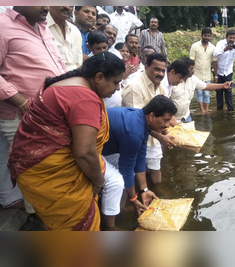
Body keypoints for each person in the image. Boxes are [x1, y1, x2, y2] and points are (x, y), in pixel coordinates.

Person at [8, 52, 125, 231]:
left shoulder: (66, 84)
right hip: (51, 173)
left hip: (36, 168)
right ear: (99, 77)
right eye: (116, 82)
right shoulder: (84, 97)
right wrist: (99, 182)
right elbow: (85, 153)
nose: (118, 88)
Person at [0, 6, 66, 212]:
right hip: (23, 117)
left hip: (50, 116)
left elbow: (58, 65)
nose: (46, 6)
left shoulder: (43, 28)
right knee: (38, 180)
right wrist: (23, 103)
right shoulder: (3, 25)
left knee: (52, 177)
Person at [102, 95, 177, 228]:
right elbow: (127, 170)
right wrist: (133, 198)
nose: (166, 125)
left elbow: (140, 157)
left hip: (108, 146)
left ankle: (119, 211)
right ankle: (110, 227)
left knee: (125, 179)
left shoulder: (142, 120)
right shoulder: (134, 132)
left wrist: (144, 190)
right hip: (91, 148)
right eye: (165, 120)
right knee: (117, 182)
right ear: (152, 116)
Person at [122, 53, 176, 184]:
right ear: (146, 67)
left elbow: (165, 114)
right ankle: (139, 196)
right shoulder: (134, 87)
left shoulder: (160, 86)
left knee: (155, 169)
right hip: (134, 135)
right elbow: (136, 122)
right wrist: (161, 137)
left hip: (153, 137)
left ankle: (157, 197)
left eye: (163, 70)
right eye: (156, 69)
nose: (161, 74)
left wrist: (166, 132)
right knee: (134, 172)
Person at [171, 57, 231, 123]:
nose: (193, 71)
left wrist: (223, 85)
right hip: (172, 119)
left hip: (186, 117)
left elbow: (206, 86)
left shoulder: (193, 79)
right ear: (184, 69)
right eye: (191, 69)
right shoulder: (172, 82)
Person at [213, 29, 235, 112]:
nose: (231, 39)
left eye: (233, 38)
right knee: (219, 91)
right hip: (219, 71)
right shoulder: (220, 43)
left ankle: (231, 110)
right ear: (226, 37)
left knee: (228, 91)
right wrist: (225, 49)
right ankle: (219, 109)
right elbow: (215, 53)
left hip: (228, 72)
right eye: (230, 38)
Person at [190, 28, 218, 115]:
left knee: (206, 93)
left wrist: (216, 75)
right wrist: (190, 73)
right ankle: (202, 110)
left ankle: (207, 110)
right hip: (196, 74)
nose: (207, 37)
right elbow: (192, 61)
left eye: (208, 36)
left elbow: (214, 62)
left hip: (207, 74)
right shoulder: (195, 46)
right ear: (201, 35)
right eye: (205, 35)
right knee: (199, 93)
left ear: (211, 36)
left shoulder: (213, 48)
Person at [47, 6, 83, 70]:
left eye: (71, 5)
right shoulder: (40, 26)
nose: (67, 7)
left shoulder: (75, 31)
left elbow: (79, 63)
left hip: (74, 76)